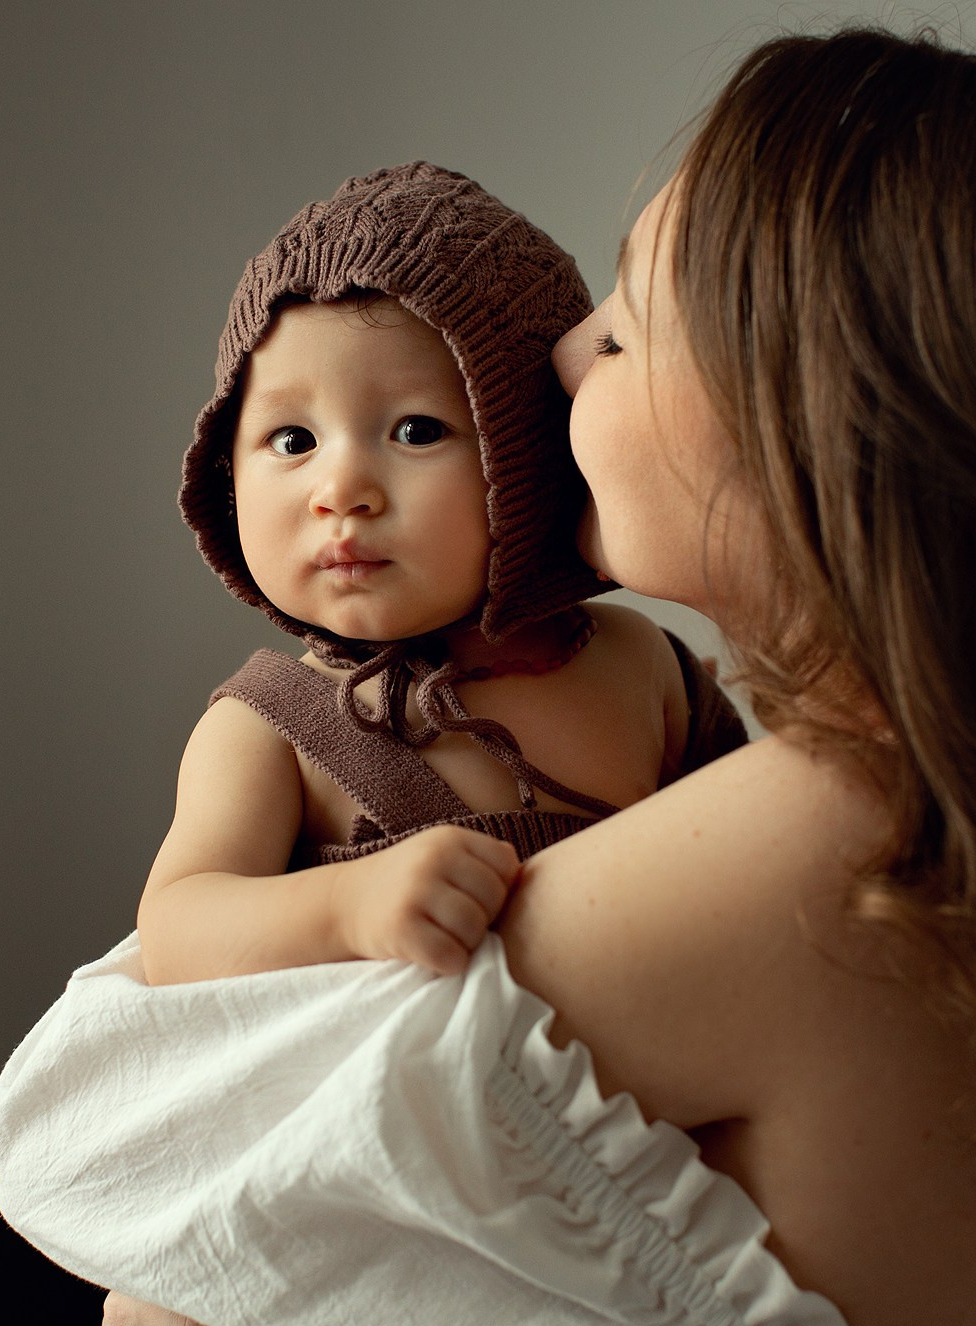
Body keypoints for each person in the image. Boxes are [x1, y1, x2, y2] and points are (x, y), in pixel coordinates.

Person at [15, 27, 976, 1326]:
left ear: (825, 418)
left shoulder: (830, 844)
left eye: (629, 321)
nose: (561, 357)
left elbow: (92, 1140)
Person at [140, 161, 744, 986]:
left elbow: (764, 867)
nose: (340, 490)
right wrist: (348, 906)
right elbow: (176, 928)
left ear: (526, 458)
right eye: (292, 440)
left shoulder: (640, 664)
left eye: (417, 430)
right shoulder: (269, 729)